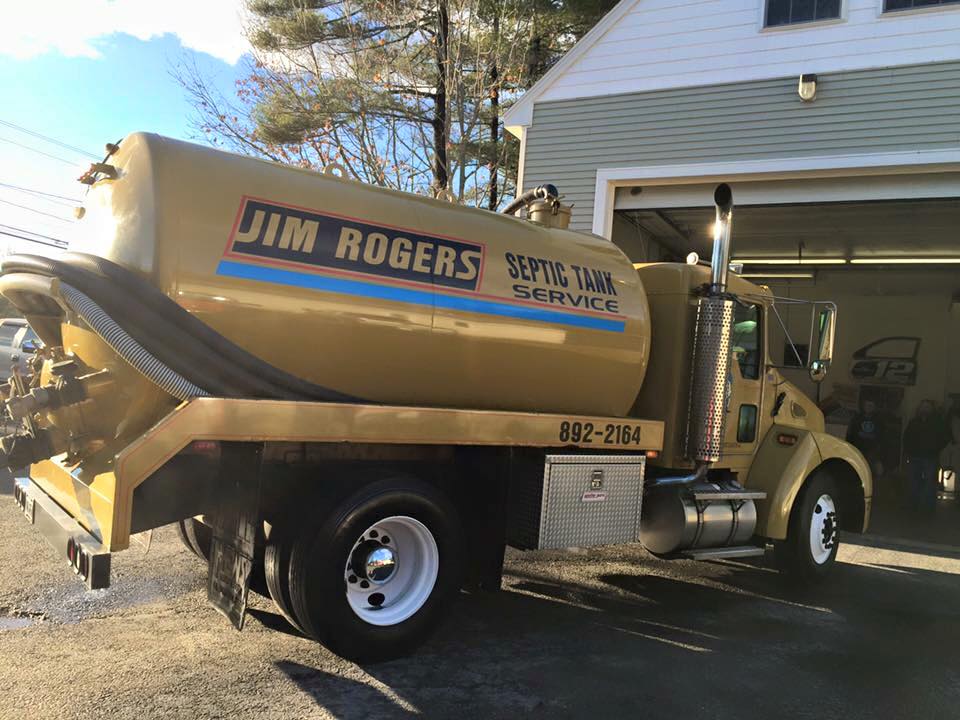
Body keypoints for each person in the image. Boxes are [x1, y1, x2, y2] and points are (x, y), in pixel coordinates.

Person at [902, 399, 948, 514]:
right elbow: (906, 437)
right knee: (913, 482)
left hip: (930, 457)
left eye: (927, 406)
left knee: (929, 484)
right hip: (915, 456)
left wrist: (935, 449)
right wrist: (909, 451)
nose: (925, 408)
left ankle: (927, 509)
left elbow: (945, 437)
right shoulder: (914, 422)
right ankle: (913, 507)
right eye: (923, 406)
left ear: (931, 409)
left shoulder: (937, 423)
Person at [846, 399, 885, 483]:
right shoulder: (857, 419)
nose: (869, 408)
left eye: (871, 406)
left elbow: (882, 436)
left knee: (870, 474)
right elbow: (850, 434)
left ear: (874, 407)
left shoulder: (879, 420)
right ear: (863, 406)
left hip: (872, 452)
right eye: (867, 405)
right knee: (857, 472)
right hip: (858, 450)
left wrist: (879, 449)